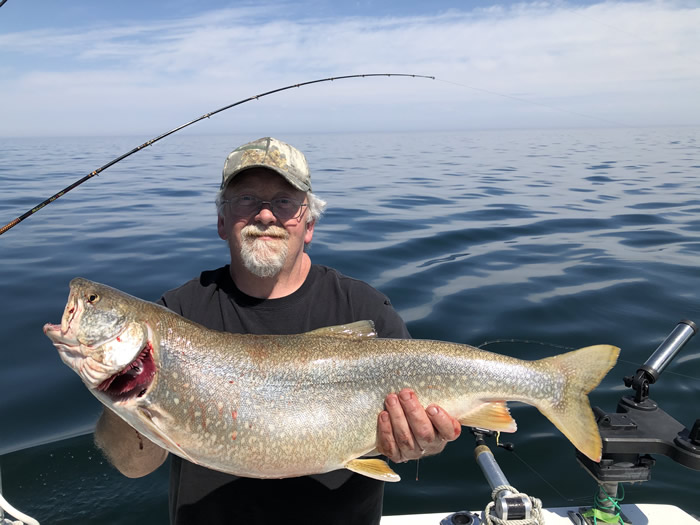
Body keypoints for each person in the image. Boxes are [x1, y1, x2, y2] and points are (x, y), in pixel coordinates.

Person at [94, 137, 461, 524]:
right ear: (221, 221)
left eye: (285, 202)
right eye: (246, 200)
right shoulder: (177, 315)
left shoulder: (365, 309)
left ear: (309, 225)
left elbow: (420, 433)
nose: (265, 215)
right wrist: (126, 387)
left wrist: (422, 441)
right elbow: (132, 466)